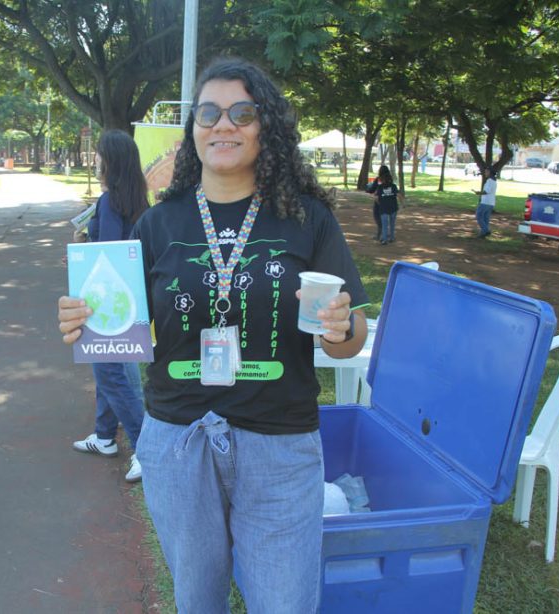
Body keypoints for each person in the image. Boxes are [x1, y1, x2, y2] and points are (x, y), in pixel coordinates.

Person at [58, 58, 369, 613]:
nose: (223, 125)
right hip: (178, 439)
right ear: (193, 129)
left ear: (264, 126)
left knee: (285, 602)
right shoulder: (158, 223)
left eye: (241, 113)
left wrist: (343, 326)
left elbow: (345, 341)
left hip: (279, 443)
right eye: (209, 112)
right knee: (198, 600)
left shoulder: (307, 218)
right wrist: (87, 319)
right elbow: (121, 327)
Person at [71, 129, 148, 483]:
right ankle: (104, 437)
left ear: (110, 160)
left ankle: (145, 449)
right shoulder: (135, 199)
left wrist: (85, 243)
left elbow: (110, 252)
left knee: (110, 373)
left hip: (106, 304)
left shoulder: (109, 201)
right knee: (110, 368)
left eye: (99, 153)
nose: (95, 158)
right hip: (129, 300)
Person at [368, 165, 402, 245]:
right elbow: (399, 195)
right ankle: (391, 237)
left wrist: (379, 202)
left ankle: (384, 238)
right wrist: (402, 204)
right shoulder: (393, 186)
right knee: (392, 223)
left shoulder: (379, 184)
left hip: (383, 206)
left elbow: (374, 194)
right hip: (393, 206)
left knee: (383, 222)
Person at [473, 166, 497, 237]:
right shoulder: (494, 181)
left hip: (485, 202)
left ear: (490, 172)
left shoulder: (489, 181)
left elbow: (486, 191)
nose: (485, 173)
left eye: (486, 171)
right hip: (491, 203)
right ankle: (484, 233)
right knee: (485, 218)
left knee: (479, 215)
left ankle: (486, 230)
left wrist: (478, 193)